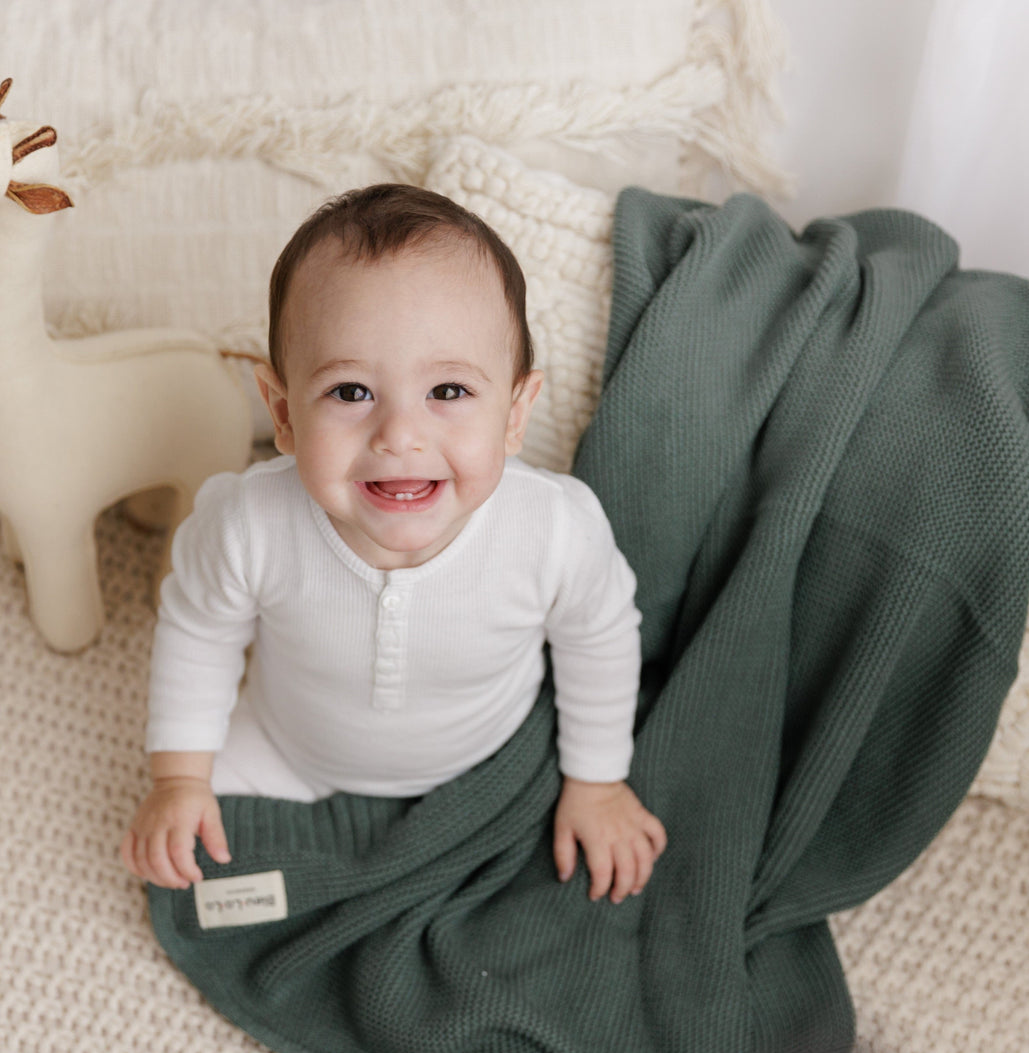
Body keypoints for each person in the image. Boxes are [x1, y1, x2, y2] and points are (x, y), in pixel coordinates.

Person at [121, 184, 666, 905]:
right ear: (282, 414)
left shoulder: (553, 530)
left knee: (563, 873)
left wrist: (597, 780)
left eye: (447, 392)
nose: (399, 436)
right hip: (288, 751)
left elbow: (598, 639)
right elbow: (197, 631)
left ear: (515, 412)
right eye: (351, 393)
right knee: (185, 866)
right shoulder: (248, 522)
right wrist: (180, 778)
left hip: (488, 756)